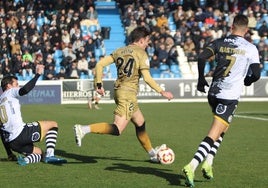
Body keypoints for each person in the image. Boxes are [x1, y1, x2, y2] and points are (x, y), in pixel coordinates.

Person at [182, 14, 261, 187]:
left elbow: (202, 57)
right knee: (214, 133)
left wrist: (201, 79)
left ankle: (208, 162)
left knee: (223, 127)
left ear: (232, 26)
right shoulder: (250, 48)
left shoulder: (220, 42)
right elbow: (256, 74)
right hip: (228, 97)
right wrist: (247, 80)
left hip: (214, 93)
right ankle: (192, 165)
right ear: (246, 30)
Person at [74, 26, 174, 162]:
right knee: (117, 129)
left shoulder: (119, 51)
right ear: (140, 40)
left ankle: (152, 154)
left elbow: (99, 65)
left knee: (140, 122)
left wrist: (98, 84)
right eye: (146, 41)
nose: (147, 44)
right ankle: (84, 129)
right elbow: (147, 78)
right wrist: (162, 91)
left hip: (119, 91)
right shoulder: (141, 53)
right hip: (128, 94)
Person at [0, 65, 66, 166]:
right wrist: (38, 74)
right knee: (53, 124)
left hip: (12, 142)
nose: (18, 86)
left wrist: (9, 153)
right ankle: (50, 155)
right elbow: (25, 90)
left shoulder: (1, 100)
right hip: (21, 133)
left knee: (40, 153)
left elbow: (1, 131)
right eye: (16, 84)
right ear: (9, 86)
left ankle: (25, 160)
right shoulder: (10, 91)